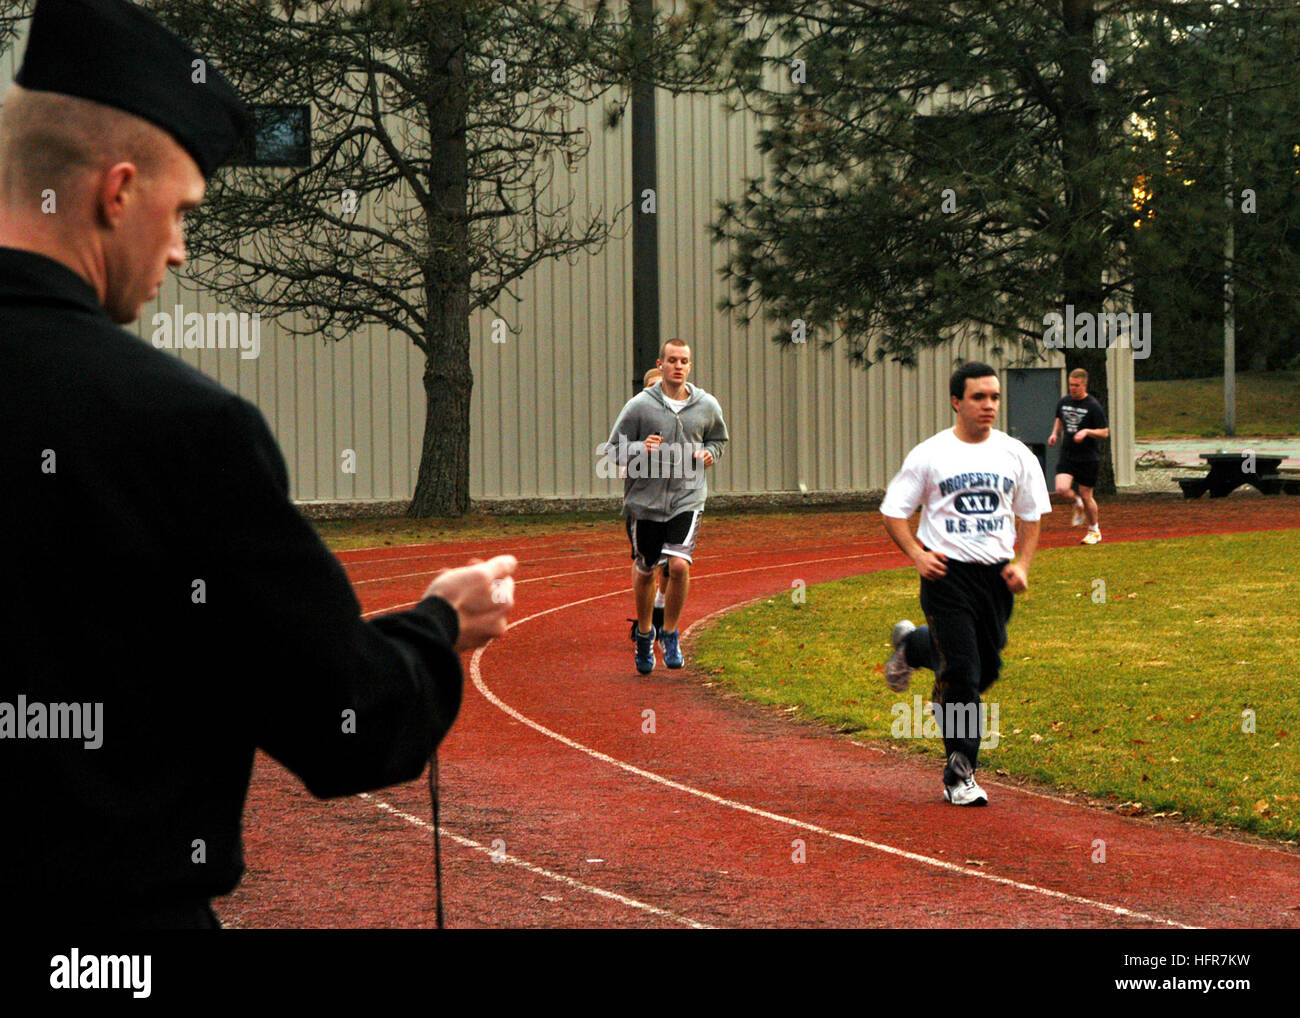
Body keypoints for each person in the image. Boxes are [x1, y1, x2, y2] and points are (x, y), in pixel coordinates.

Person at [0, 0, 516, 930]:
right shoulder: (184, 430)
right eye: (181, 210)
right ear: (116, 192)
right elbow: (346, 727)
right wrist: (442, 625)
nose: (180, 248)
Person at [879, 362, 1050, 806]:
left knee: (985, 670)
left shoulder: (1016, 454)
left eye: (994, 397)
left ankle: (913, 647)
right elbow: (894, 511)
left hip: (994, 579)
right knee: (964, 675)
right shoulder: (930, 454)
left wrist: (1023, 564)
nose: (989, 405)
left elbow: (1031, 514)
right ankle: (960, 773)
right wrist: (917, 554)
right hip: (945, 576)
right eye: (979, 397)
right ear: (957, 401)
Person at [604, 339, 728, 674]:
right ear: (661, 364)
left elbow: (718, 439)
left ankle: (670, 632)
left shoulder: (706, 405)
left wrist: (710, 454)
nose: (678, 366)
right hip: (645, 501)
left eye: (684, 361)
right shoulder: (640, 406)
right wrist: (639, 448)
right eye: (672, 360)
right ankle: (645, 633)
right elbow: (613, 449)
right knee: (645, 568)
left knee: (679, 566)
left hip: (687, 497)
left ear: (690, 366)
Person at [1048, 368, 1110, 545]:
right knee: (1061, 489)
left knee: (1086, 494)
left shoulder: (1093, 406)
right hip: (1068, 453)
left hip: (1088, 457)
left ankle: (1094, 530)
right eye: (1070, 385)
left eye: (1076, 385)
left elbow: (1104, 432)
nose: (1072, 388)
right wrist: (1054, 434)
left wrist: (1087, 432)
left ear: (1084, 385)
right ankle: (1076, 502)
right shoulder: (1064, 402)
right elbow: (1059, 418)